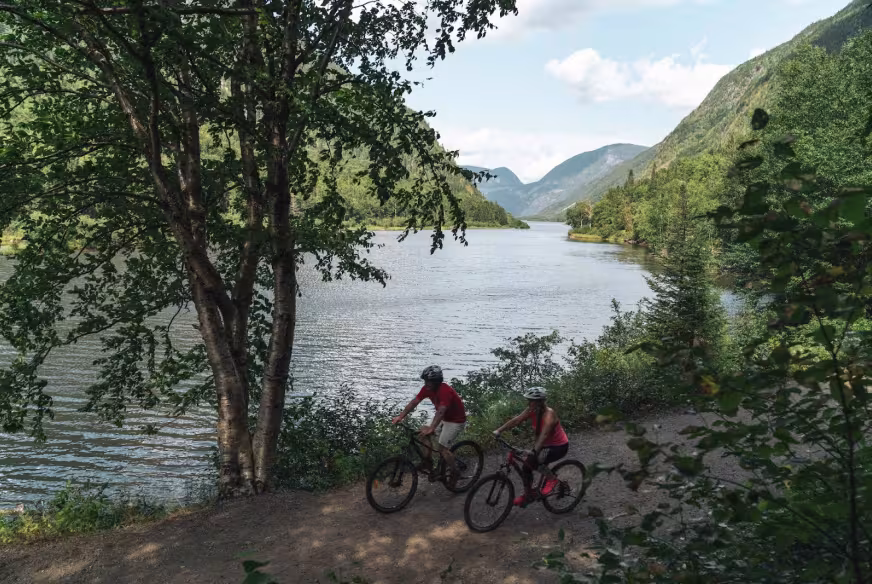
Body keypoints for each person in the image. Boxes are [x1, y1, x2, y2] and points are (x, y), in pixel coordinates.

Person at [492, 386, 569, 507]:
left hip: (558, 446)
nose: (529, 403)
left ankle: (552, 479)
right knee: (526, 468)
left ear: (540, 402)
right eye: (528, 400)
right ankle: (528, 495)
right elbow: (516, 420)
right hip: (544, 445)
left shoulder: (549, 415)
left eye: (531, 400)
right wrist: (499, 430)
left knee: (536, 461)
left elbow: (544, 435)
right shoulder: (531, 410)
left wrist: (533, 451)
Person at [392, 365, 467, 485]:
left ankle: (455, 472)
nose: (426, 383)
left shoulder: (445, 390)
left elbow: (441, 410)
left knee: (442, 449)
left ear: (436, 382)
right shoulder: (427, 389)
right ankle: (428, 462)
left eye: (429, 381)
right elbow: (414, 402)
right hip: (444, 418)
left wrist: (432, 428)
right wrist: (401, 416)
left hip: (456, 420)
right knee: (422, 433)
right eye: (425, 381)